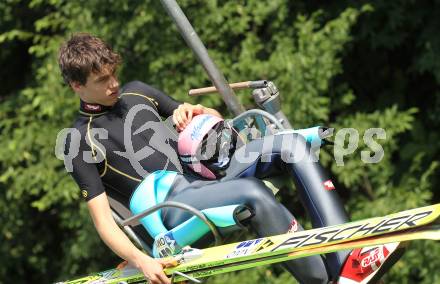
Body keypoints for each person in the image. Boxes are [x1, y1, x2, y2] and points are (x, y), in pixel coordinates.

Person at [58, 33, 401, 284]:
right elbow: (104, 222)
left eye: (113, 74)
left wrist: (193, 110)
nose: (114, 84)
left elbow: (207, 119)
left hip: (205, 176)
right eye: (102, 80)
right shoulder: (78, 140)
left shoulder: (137, 91)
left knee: (293, 145)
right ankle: (322, 281)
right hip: (172, 207)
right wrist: (141, 260)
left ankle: (346, 262)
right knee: (252, 192)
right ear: (76, 85)